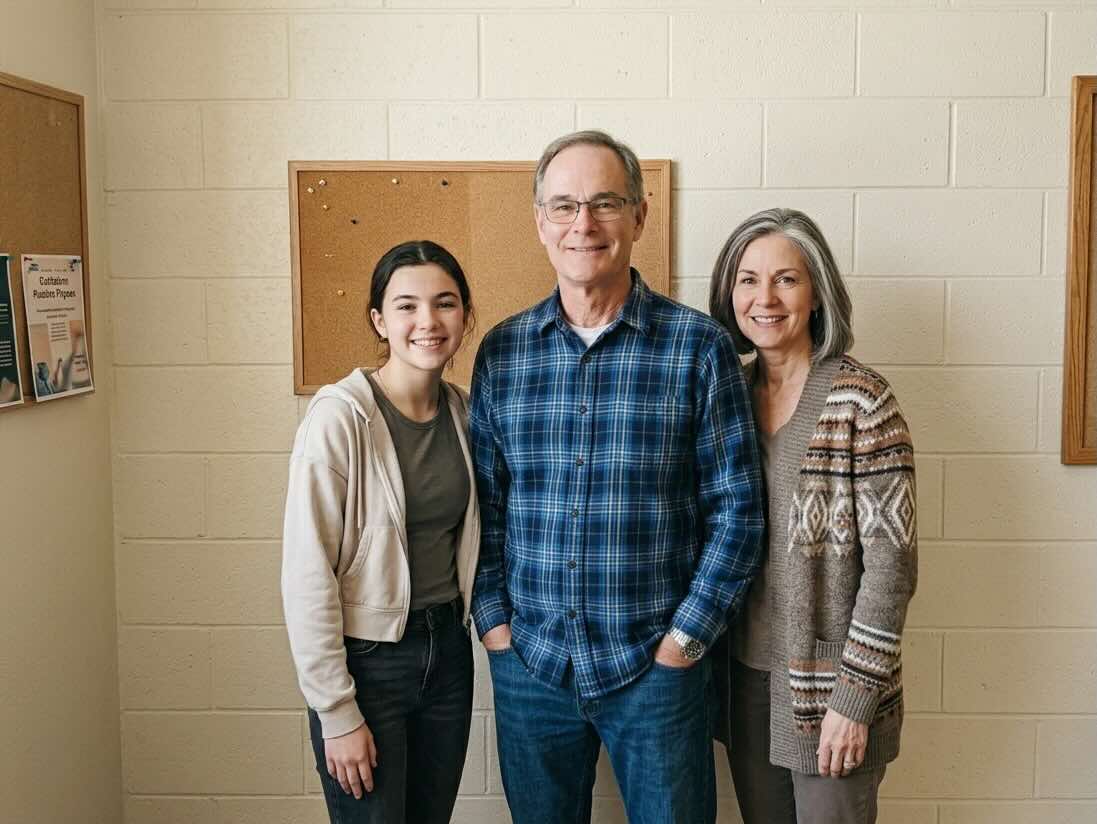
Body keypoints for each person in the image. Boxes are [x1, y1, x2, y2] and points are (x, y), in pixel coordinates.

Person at [469, 130, 765, 824]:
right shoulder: (503, 353)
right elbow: (486, 510)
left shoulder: (698, 346)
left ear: (639, 215)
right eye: (564, 205)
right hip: (530, 668)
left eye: (605, 203)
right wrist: (495, 632)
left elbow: (738, 513)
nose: (584, 224)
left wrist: (683, 642)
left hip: (656, 671)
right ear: (540, 220)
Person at [708, 208, 918, 824]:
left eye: (786, 280)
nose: (764, 298)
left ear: (819, 291)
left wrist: (854, 700)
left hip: (832, 689)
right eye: (747, 279)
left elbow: (891, 570)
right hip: (746, 681)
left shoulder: (863, 402)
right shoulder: (729, 398)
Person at [282, 240, 480, 824]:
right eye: (406, 306)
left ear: (465, 316)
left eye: (445, 304)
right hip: (367, 665)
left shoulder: (464, 412)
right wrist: (336, 711)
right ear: (379, 319)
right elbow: (306, 574)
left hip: (448, 655)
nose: (427, 321)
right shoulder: (339, 416)